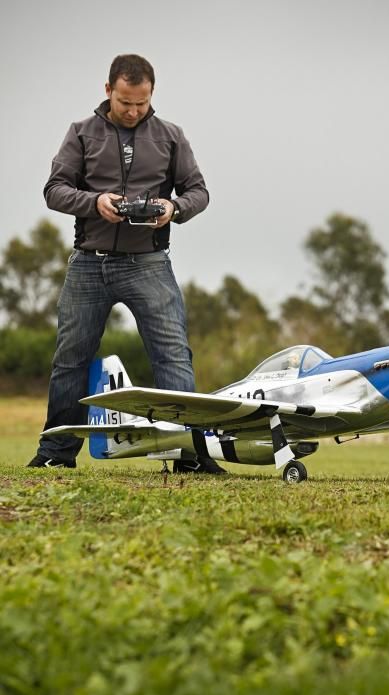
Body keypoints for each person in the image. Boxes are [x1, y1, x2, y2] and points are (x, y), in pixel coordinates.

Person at [28, 54, 224, 474]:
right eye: (124, 102)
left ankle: (187, 455)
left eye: (142, 102)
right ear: (107, 91)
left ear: (151, 93)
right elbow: (54, 190)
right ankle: (55, 455)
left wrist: (174, 207)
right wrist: (94, 202)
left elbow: (199, 192)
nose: (133, 111)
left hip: (149, 263)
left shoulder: (171, 136)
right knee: (70, 359)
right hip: (88, 265)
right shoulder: (80, 133)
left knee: (173, 357)